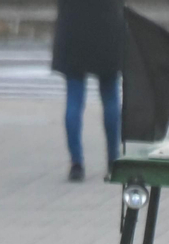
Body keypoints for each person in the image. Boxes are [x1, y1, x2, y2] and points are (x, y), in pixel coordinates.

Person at [51, 0, 125, 182]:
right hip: (107, 24)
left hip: (72, 27)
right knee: (110, 96)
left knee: (74, 98)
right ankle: (113, 161)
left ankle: (76, 164)